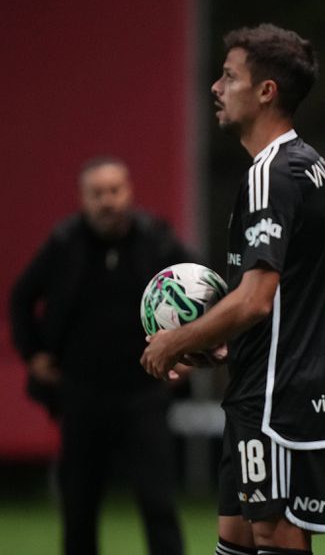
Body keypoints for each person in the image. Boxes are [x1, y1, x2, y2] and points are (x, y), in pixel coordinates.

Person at [140, 24, 325, 555]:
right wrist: (218, 341)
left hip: (278, 395)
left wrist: (175, 340)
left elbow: (256, 299)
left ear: (266, 91)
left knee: (273, 532)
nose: (216, 87)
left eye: (229, 76)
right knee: (235, 533)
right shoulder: (310, 165)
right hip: (281, 381)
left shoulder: (272, 175)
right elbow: (294, 296)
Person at [9, 156, 188, 555]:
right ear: (82, 198)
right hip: (81, 396)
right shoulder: (63, 243)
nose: (107, 201)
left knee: (159, 504)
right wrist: (33, 354)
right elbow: (21, 297)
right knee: (79, 508)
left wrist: (189, 351)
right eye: (97, 193)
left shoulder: (157, 240)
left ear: (129, 191)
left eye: (114, 191)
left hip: (144, 395)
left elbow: (199, 291)